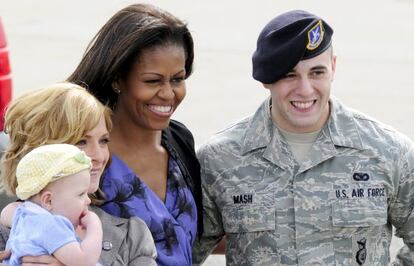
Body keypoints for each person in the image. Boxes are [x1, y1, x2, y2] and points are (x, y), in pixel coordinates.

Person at [192, 10, 414, 266]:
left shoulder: (389, 152)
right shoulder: (219, 159)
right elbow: (181, 254)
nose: (305, 89)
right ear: (266, 79)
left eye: (317, 72)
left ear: (333, 67)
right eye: (289, 75)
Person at [68, 4, 202, 266]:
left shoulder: (179, 140)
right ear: (117, 79)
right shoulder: (79, 152)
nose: (168, 94)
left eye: (177, 79)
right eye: (153, 81)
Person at [0, 82, 156, 265]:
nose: (98, 155)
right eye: (81, 142)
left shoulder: (132, 236)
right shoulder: (6, 229)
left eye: (104, 141)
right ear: (41, 151)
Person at [2, 144, 102, 266]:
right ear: (48, 201)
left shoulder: (24, 215)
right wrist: (95, 226)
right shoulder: (51, 224)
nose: (88, 200)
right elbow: (84, 261)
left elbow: (5, 213)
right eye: (81, 194)